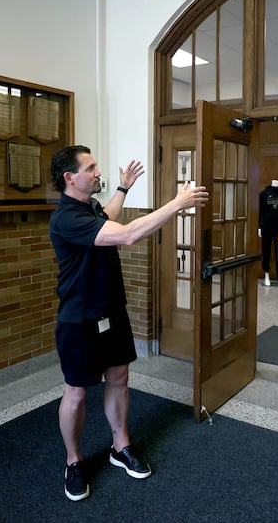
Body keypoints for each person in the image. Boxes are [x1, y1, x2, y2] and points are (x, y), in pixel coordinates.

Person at [48, 145, 208, 502]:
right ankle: (74, 461)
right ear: (69, 178)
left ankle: (120, 447)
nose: (97, 172)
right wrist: (176, 204)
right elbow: (127, 234)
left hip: (111, 311)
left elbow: (106, 217)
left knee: (119, 378)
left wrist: (123, 188)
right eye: (91, 168)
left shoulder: (87, 207)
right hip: (79, 319)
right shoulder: (65, 217)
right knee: (76, 391)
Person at [258, 179, 278, 287]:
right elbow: (259, 212)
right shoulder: (263, 194)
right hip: (267, 227)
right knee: (266, 251)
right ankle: (266, 274)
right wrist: (259, 227)